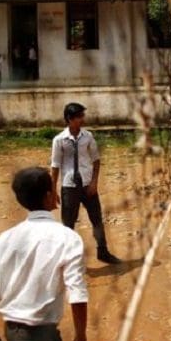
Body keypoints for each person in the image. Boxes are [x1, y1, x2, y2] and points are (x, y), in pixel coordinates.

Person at [0, 167, 88, 341]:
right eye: (53, 188)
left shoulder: (5, 238)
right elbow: (76, 293)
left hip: (11, 332)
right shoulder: (67, 238)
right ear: (48, 196)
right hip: (42, 337)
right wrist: (80, 338)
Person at [51, 103, 121, 264]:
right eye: (79, 117)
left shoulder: (88, 137)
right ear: (69, 119)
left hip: (88, 184)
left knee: (96, 219)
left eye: (83, 116)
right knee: (68, 224)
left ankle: (103, 251)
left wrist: (94, 183)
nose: (82, 120)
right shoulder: (59, 140)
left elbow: (96, 160)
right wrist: (53, 189)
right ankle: (66, 258)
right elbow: (55, 166)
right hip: (69, 186)